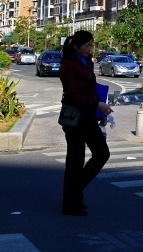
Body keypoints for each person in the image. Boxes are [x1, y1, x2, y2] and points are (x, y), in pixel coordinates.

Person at [59, 30, 112, 216]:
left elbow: (91, 89)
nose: (91, 48)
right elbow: (73, 94)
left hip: (89, 115)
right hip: (75, 118)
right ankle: (71, 203)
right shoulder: (68, 64)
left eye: (92, 44)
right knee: (75, 160)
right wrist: (97, 104)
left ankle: (75, 192)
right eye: (87, 45)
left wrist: (100, 110)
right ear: (76, 46)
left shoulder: (87, 61)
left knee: (101, 153)